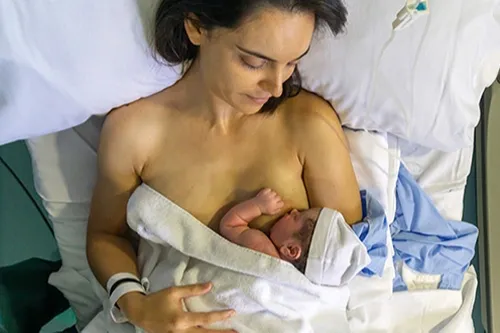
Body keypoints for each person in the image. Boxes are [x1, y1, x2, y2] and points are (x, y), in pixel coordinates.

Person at [86, 0, 361, 332]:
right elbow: (105, 236)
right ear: (197, 27)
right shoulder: (135, 134)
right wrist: (138, 306)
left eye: (291, 63)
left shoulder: (308, 125)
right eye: (253, 62)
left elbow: (345, 268)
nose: (276, 86)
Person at [220, 188, 321, 274]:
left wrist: (258, 205)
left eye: (295, 217)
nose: (294, 210)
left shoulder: (262, 248)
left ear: (291, 250)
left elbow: (229, 226)